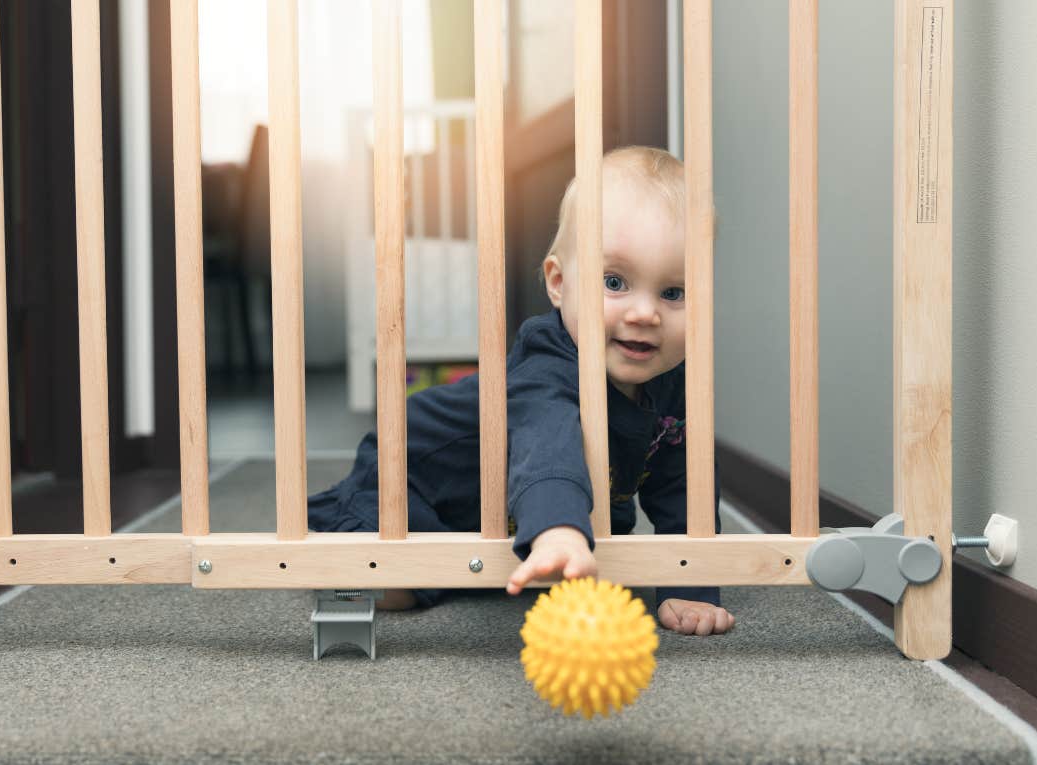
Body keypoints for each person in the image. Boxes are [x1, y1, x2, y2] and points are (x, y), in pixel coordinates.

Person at [308, 146, 735, 636]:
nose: (645, 313)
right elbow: (546, 445)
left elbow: (683, 481)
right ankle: (354, 548)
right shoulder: (545, 365)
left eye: (673, 293)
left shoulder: (674, 378)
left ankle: (535, 533)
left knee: (603, 524)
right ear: (559, 283)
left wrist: (691, 583)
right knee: (402, 582)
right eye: (615, 282)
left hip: (510, 505)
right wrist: (560, 532)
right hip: (419, 480)